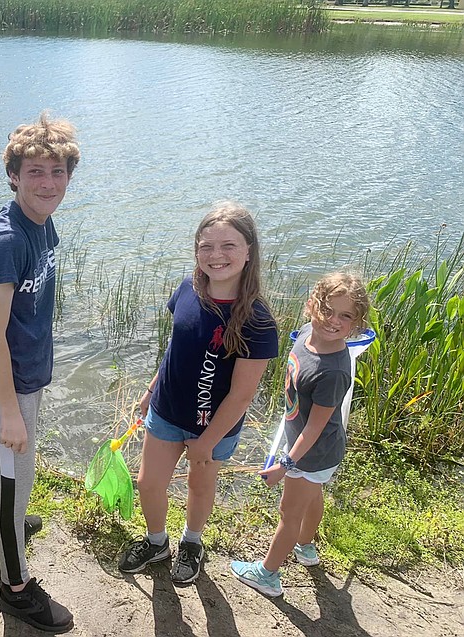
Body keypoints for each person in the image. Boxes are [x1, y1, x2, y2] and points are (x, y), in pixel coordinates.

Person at [118, 202, 279, 585]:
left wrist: (206, 442)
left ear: (249, 251)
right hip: (167, 411)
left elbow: (241, 396)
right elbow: (176, 350)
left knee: (199, 484)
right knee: (148, 483)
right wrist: (150, 390)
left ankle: (193, 542)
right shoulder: (188, 289)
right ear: (196, 251)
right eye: (206, 246)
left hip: (214, 426)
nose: (216, 255)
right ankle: (157, 542)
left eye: (228, 246)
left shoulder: (258, 319)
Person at [0, 113, 80, 633]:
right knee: (12, 480)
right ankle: (14, 587)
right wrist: (9, 410)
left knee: (16, 476)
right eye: (35, 172)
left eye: (57, 172)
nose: (48, 184)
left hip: (27, 375)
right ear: (13, 175)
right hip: (5, 383)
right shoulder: (7, 242)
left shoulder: (43, 222)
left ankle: (8, 527)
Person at [231, 272, 369, 597]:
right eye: (327, 310)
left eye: (345, 316)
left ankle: (267, 574)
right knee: (313, 497)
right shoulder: (306, 332)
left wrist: (286, 463)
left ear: (356, 323)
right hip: (314, 452)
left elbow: (315, 427)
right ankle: (305, 547)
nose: (333, 321)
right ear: (311, 306)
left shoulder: (333, 371)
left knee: (288, 512)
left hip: (312, 452)